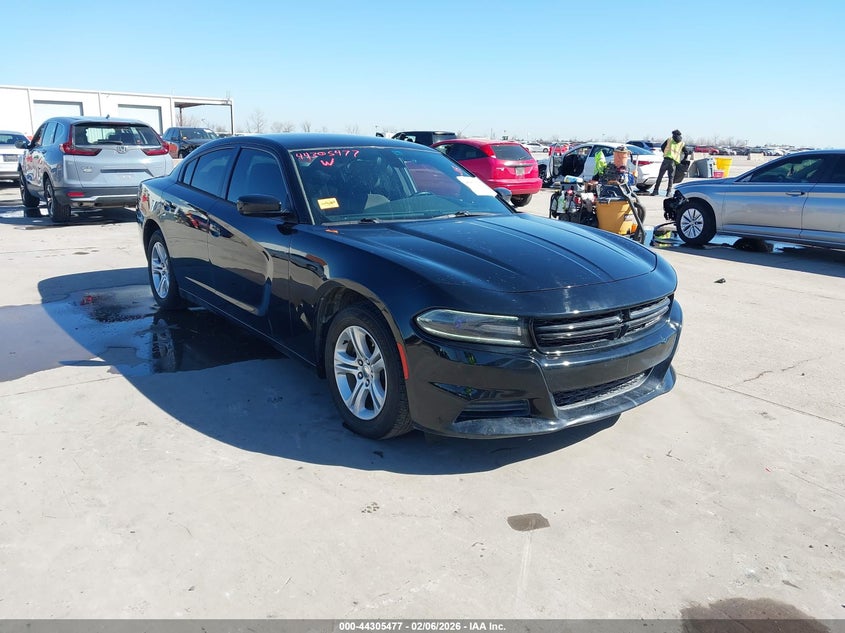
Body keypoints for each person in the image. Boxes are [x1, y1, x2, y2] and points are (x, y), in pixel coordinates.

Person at [651, 130, 692, 196]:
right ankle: (668, 192)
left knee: (660, 176)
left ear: (674, 134)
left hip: (666, 160)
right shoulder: (682, 143)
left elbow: (662, 147)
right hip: (673, 162)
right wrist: (683, 159)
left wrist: (665, 153)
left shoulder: (669, 140)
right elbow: (686, 152)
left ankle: (655, 191)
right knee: (671, 178)